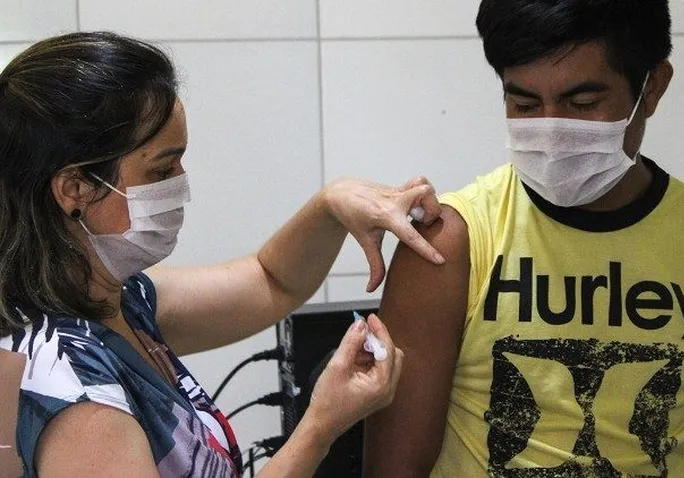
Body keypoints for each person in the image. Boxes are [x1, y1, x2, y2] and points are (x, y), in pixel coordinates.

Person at [364, 0, 684, 476]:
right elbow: (394, 469)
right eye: (525, 105)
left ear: (652, 87)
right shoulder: (450, 244)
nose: (551, 133)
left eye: (583, 104)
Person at [0, 31, 446, 478]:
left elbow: (271, 281)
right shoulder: (74, 392)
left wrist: (334, 203)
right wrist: (320, 426)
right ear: (74, 189)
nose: (181, 184)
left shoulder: (119, 301)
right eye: (162, 169)